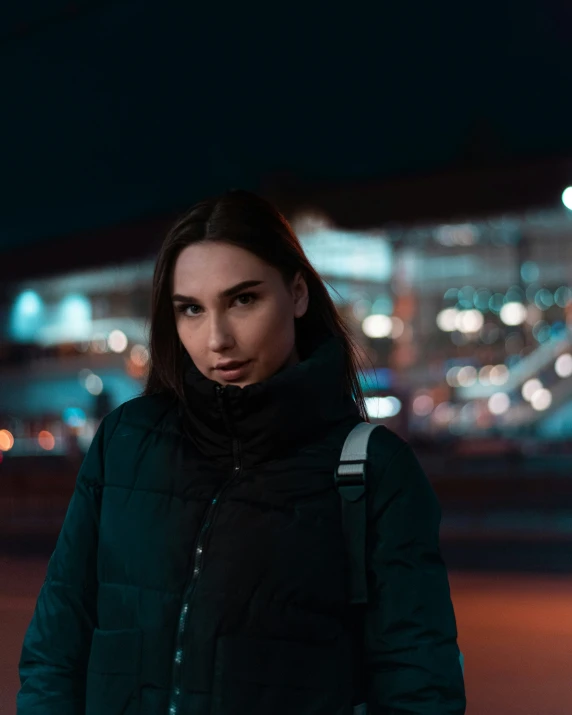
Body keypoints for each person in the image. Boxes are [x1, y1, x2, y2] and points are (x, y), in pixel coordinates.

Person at [17, 190, 466, 715]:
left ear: (297, 294)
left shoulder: (373, 470)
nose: (217, 338)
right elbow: (56, 648)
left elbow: (419, 689)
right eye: (191, 309)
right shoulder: (125, 443)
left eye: (243, 299)